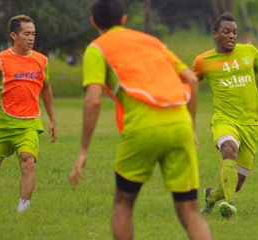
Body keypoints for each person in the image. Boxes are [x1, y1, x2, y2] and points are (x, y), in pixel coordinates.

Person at [68, 0, 211, 239]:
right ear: (124, 19)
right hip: (180, 123)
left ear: (93, 22)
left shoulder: (96, 49)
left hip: (142, 128)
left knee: (123, 204)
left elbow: (93, 100)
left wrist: (83, 149)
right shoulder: (152, 42)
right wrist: (191, 128)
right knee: (190, 211)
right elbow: (192, 81)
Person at [193, 12, 258, 219]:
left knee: (236, 183)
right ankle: (229, 205)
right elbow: (188, 83)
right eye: (226, 32)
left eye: (235, 32)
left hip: (252, 124)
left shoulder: (250, 52)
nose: (232, 36)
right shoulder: (203, 61)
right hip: (224, 119)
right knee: (229, 148)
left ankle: (212, 197)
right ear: (215, 34)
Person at [0, 15, 57, 212]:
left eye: (33, 33)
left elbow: (46, 89)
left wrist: (52, 119)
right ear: (14, 35)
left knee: (28, 161)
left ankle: (21, 212)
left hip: (29, 124)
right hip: (2, 125)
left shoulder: (41, 61)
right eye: (26, 34)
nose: (31, 38)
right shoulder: (0, 60)